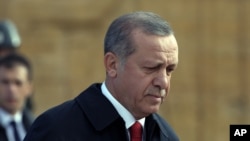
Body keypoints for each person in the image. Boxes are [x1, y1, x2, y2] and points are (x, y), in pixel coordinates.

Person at [24, 11, 179, 141]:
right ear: (112, 65)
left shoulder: (167, 135)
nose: (163, 82)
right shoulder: (57, 130)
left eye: (169, 70)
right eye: (151, 68)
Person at [0, 53, 34, 141]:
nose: (11, 89)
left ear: (29, 88)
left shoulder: (37, 127)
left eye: (18, 83)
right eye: (5, 82)